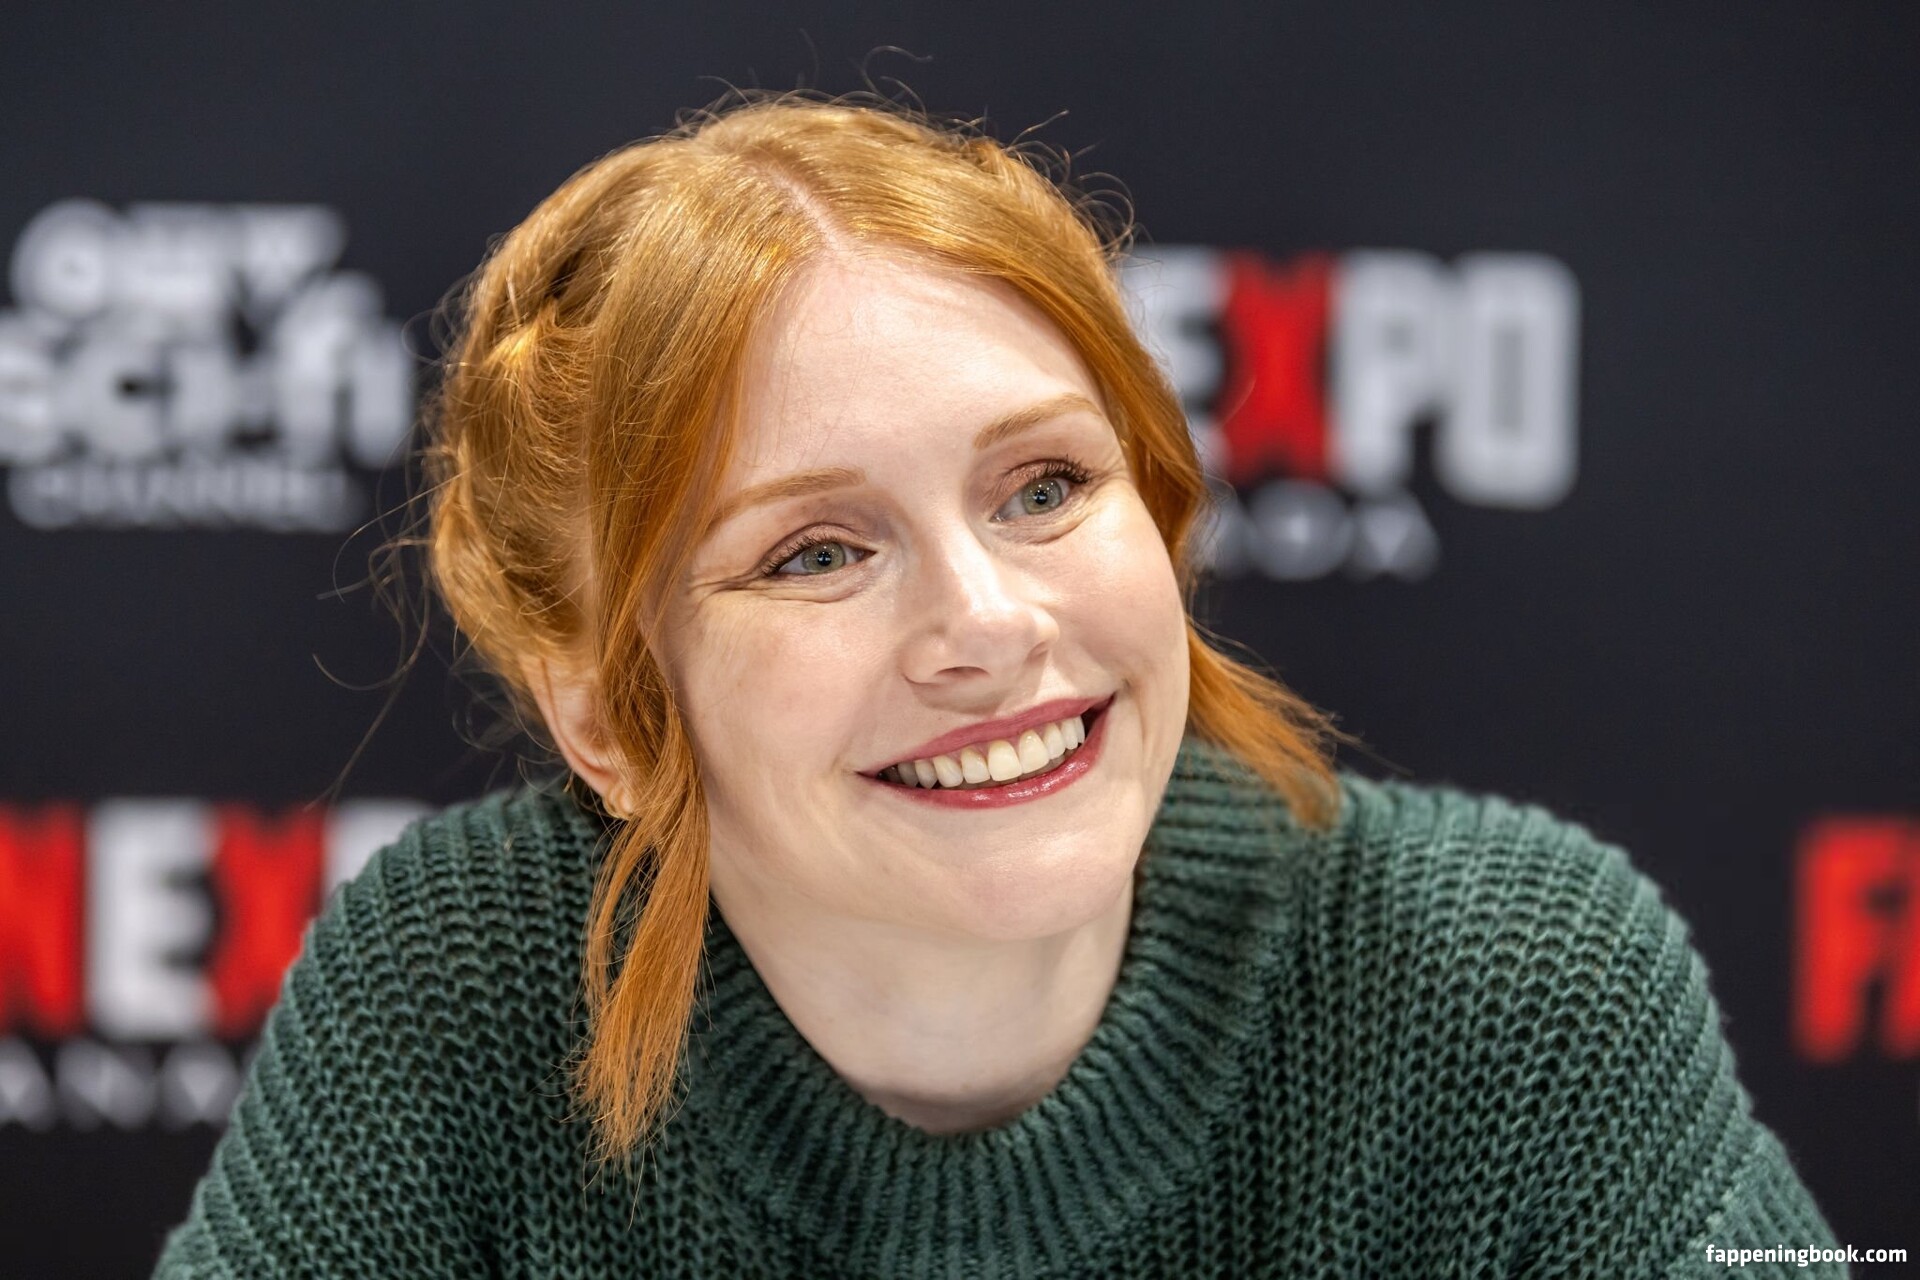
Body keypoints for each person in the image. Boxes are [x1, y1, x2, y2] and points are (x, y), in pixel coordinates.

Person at [154, 93, 1845, 1278]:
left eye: (1044, 487)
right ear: (604, 714)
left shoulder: (1520, 982)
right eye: (817, 552)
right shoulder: (460, 992)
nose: (988, 623)